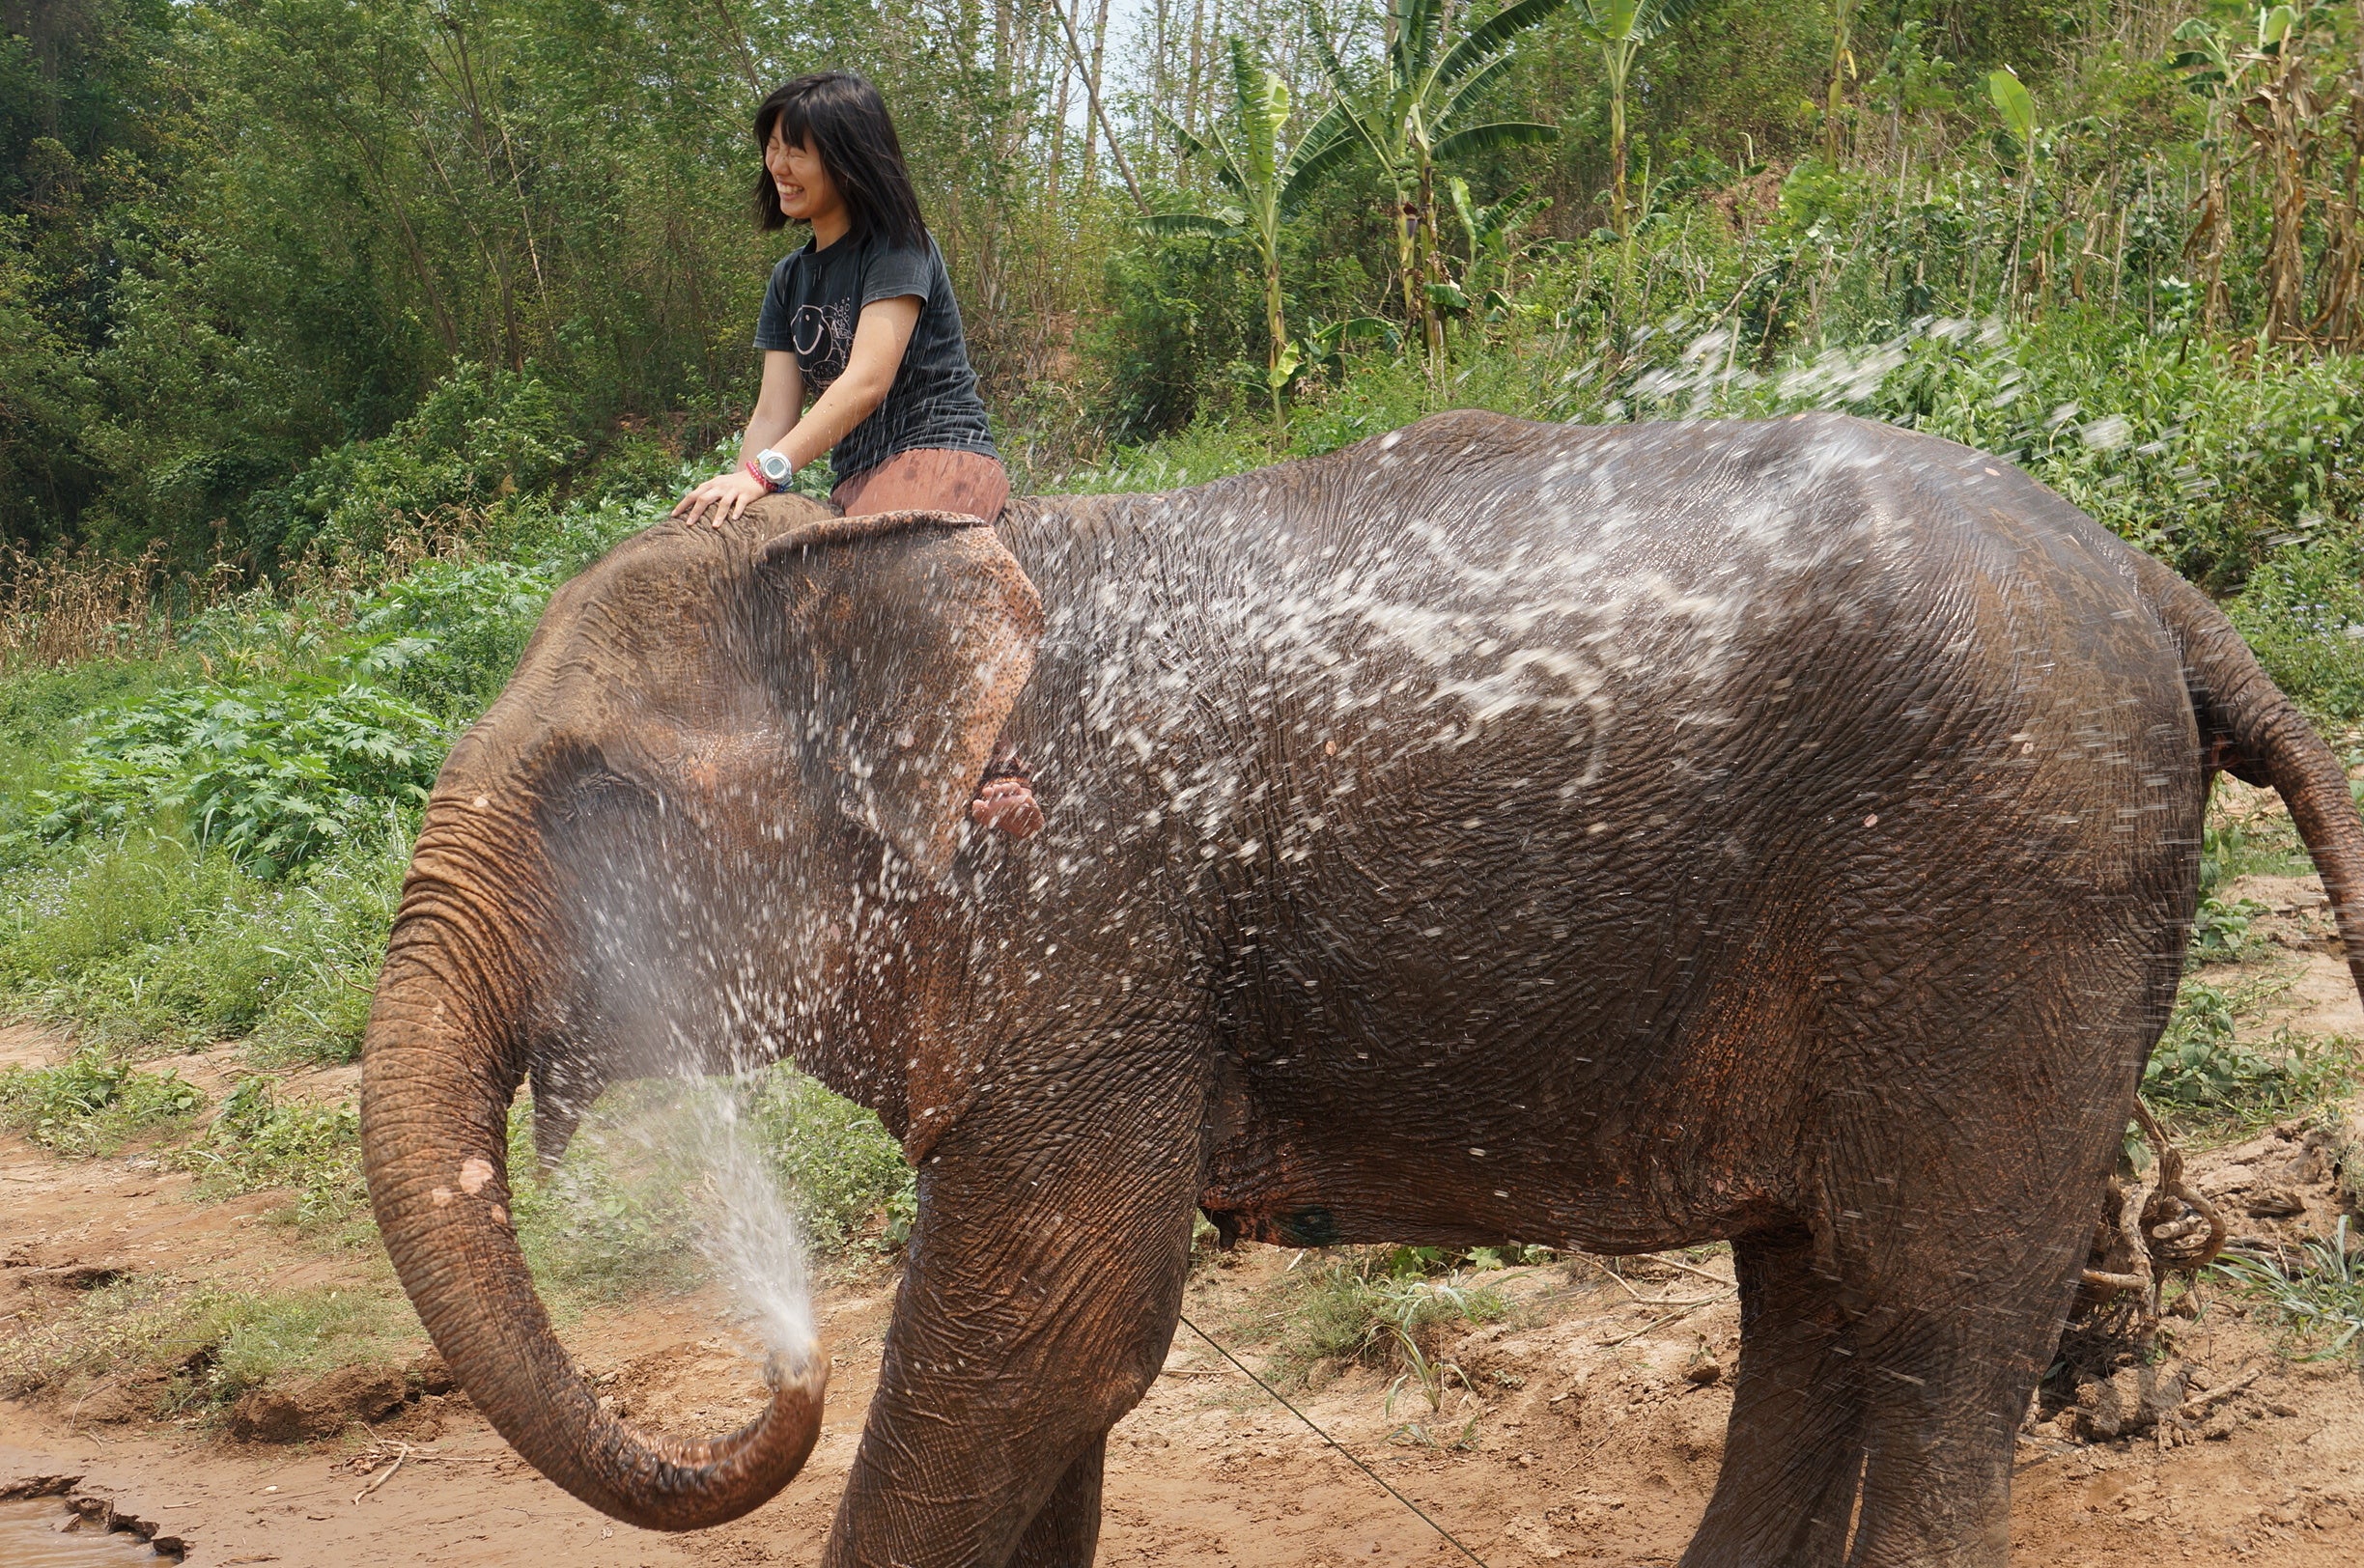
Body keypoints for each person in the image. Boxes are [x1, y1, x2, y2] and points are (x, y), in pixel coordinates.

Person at [674, 70, 1008, 528]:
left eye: (796, 151)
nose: (778, 165)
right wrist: (739, 489)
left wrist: (768, 471)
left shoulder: (898, 246)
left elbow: (868, 380)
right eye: (772, 146)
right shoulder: (788, 278)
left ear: (848, 162)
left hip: (938, 457)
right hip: (855, 479)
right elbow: (773, 413)